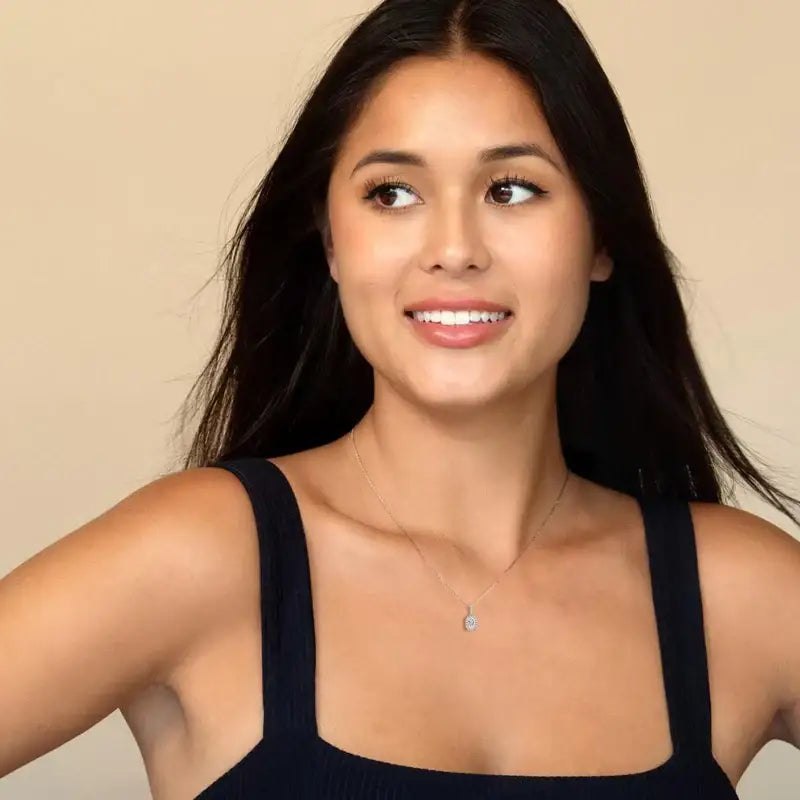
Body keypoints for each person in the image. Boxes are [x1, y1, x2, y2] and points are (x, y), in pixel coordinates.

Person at [1, 0, 798, 797]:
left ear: (601, 238)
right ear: (331, 241)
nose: (453, 250)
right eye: (391, 194)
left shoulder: (741, 597)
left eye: (514, 190)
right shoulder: (201, 558)